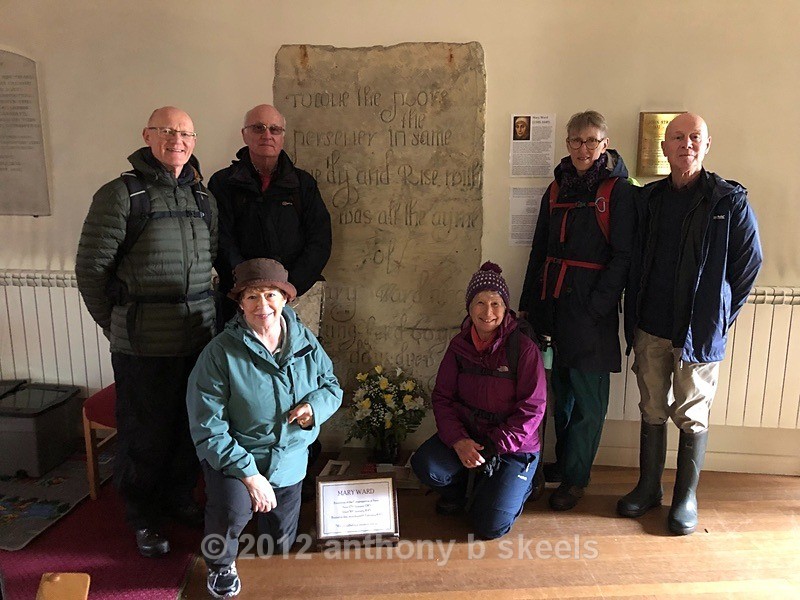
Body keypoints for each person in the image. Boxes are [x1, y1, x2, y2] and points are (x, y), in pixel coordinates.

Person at [75, 107, 218, 557]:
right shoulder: (121, 195)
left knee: (187, 429)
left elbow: (209, 264)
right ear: (148, 136)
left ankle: (178, 499)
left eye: (185, 133)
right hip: (143, 345)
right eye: (167, 130)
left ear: (194, 141)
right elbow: (91, 270)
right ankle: (144, 517)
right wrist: (116, 324)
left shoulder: (203, 198)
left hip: (197, 339)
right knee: (145, 435)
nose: (177, 139)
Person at [617, 113, 762, 535]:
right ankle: (648, 488)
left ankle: (685, 497)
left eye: (694, 137)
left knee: (692, 415)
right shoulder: (650, 200)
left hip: (698, 334)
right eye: (677, 138)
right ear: (664, 148)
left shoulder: (727, 200)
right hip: (651, 326)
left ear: (707, 143)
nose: (686, 145)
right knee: (652, 409)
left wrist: (718, 318)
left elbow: (748, 266)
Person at [187, 258, 342, 598]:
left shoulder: (306, 343)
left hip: (289, 459)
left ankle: (271, 566)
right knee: (232, 511)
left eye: (270, 294)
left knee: (281, 543)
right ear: (240, 303)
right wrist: (249, 475)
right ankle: (219, 564)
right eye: (252, 297)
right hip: (235, 457)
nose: (262, 305)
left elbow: (332, 387)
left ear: (286, 299)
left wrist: (312, 407)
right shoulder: (219, 354)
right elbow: (207, 425)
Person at [519, 110, 636, 511]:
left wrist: (598, 305)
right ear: (567, 144)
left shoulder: (618, 192)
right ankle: (565, 462)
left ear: (605, 143)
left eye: (591, 141)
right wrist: (528, 308)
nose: (583, 149)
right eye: (575, 141)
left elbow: (624, 256)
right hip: (553, 307)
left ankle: (577, 478)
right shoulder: (555, 189)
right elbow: (539, 252)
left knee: (589, 399)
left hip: (592, 313)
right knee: (561, 394)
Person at [411, 262, 546, 540]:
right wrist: (458, 441)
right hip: (469, 437)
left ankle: (517, 486)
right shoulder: (458, 346)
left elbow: (533, 408)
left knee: (490, 527)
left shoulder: (523, 348)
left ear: (506, 307)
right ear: (469, 308)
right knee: (426, 465)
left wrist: (498, 445)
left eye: (495, 303)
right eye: (480, 303)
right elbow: (443, 398)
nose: (488, 312)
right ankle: (465, 492)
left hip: (512, 447)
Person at [209, 104, 332, 326]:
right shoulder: (223, 183)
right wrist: (247, 287)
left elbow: (320, 240)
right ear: (244, 135)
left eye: (274, 129)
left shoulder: (303, 184)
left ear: (282, 136)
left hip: (296, 296)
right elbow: (220, 239)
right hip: (240, 298)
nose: (267, 135)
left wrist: (291, 286)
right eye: (258, 128)